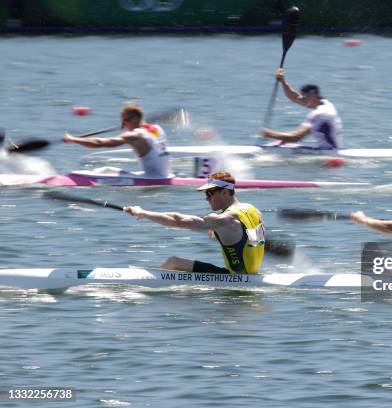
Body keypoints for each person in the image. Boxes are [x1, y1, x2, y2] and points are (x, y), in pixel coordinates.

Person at [123, 172, 265, 274]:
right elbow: (253, 242)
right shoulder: (254, 211)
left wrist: (143, 213)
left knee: (173, 262)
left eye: (209, 193)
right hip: (252, 274)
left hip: (236, 277)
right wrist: (218, 229)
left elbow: (177, 221)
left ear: (225, 193)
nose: (207, 199)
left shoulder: (223, 220)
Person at [63, 103, 172, 178]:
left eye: (126, 120)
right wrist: (128, 124)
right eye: (123, 121)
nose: (124, 124)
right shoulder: (156, 128)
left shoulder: (136, 135)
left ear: (135, 119)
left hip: (154, 178)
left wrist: (73, 139)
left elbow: (100, 143)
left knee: (104, 173)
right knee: (106, 170)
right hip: (166, 175)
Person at [259, 68, 342, 149]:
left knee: (282, 142)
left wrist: (269, 133)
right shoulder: (326, 103)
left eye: (305, 97)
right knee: (283, 142)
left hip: (327, 154)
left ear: (313, 95)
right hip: (333, 149)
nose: (303, 100)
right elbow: (295, 97)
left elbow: (295, 137)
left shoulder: (319, 114)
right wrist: (283, 81)